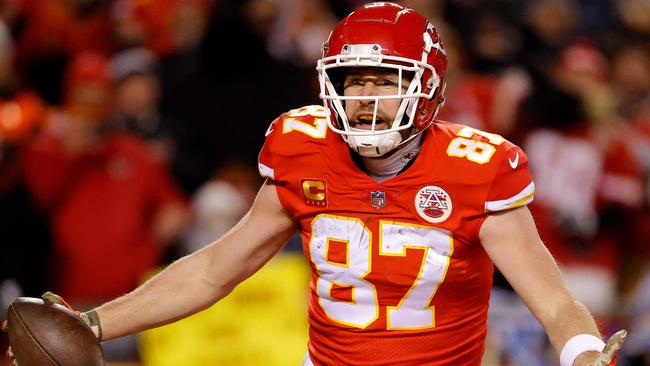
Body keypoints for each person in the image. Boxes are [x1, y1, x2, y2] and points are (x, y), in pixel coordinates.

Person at [2, 3, 625, 365]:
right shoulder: (303, 147)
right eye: (354, 81)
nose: (367, 98)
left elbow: (552, 300)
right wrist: (95, 324)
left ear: (429, 87)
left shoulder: (476, 166)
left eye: (387, 81)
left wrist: (582, 353)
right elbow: (216, 268)